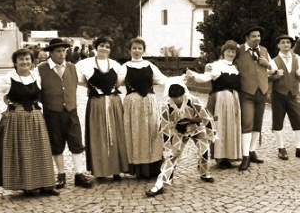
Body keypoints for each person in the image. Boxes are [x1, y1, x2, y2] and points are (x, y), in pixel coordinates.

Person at [0, 48, 59, 196]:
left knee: (41, 150)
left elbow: (38, 95)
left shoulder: (35, 76)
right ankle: (27, 185)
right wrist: (2, 108)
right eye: (21, 59)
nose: (25, 62)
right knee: (24, 151)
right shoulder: (8, 79)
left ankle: (46, 185)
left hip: (36, 117)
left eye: (27, 59)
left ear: (32, 62)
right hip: (17, 119)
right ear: (15, 63)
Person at [145, 77, 216, 197]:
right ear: (170, 97)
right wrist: (168, 149)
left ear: (184, 94)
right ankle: (159, 184)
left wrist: (211, 135)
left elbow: (207, 117)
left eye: (179, 96)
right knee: (172, 156)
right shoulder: (165, 107)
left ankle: (204, 174)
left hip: (197, 128)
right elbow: (165, 128)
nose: (177, 99)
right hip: (179, 131)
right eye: (174, 97)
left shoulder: (193, 100)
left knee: (204, 152)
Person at [37, 38, 93, 189]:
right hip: (52, 112)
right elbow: (34, 88)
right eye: (58, 51)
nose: (62, 54)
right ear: (51, 53)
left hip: (71, 110)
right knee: (56, 142)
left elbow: (86, 82)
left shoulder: (73, 68)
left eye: (64, 51)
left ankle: (79, 174)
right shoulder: (41, 69)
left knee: (76, 141)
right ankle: (60, 174)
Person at [76, 36, 128, 180]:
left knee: (116, 134)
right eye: (101, 45)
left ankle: (117, 169)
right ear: (96, 47)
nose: (104, 48)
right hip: (96, 103)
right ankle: (101, 170)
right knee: (98, 135)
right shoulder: (85, 64)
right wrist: (92, 88)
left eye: (107, 46)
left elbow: (119, 83)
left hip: (113, 102)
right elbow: (80, 81)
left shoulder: (115, 65)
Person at [186, 40, 242, 169]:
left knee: (231, 127)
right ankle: (220, 157)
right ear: (223, 52)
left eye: (233, 51)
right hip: (221, 99)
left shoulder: (236, 68)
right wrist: (192, 74)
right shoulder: (216, 66)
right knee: (220, 126)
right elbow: (205, 78)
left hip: (234, 99)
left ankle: (230, 156)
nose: (231, 53)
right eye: (228, 51)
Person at [117, 38, 167, 178]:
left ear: (143, 50)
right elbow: (116, 84)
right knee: (135, 133)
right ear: (129, 50)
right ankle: (138, 169)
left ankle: (153, 167)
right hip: (133, 104)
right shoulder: (124, 67)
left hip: (149, 103)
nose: (137, 51)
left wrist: (182, 79)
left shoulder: (150, 65)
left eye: (139, 48)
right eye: (134, 48)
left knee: (152, 132)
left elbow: (163, 80)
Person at [235, 26, 272, 171]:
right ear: (247, 38)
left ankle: (252, 151)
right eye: (254, 36)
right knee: (247, 123)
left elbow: (271, 69)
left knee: (258, 123)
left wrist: (267, 64)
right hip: (246, 92)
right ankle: (244, 156)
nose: (257, 38)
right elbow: (227, 61)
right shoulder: (239, 51)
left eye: (259, 36)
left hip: (261, 91)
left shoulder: (264, 50)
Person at [269, 35, 300, 160]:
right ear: (278, 45)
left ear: (291, 45)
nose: (286, 44)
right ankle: (281, 148)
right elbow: (269, 77)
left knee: (298, 121)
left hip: (292, 94)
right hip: (278, 94)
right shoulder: (273, 61)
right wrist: (275, 75)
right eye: (283, 42)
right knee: (278, 122)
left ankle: (299, 148)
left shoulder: (296, 59)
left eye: (288, 42)